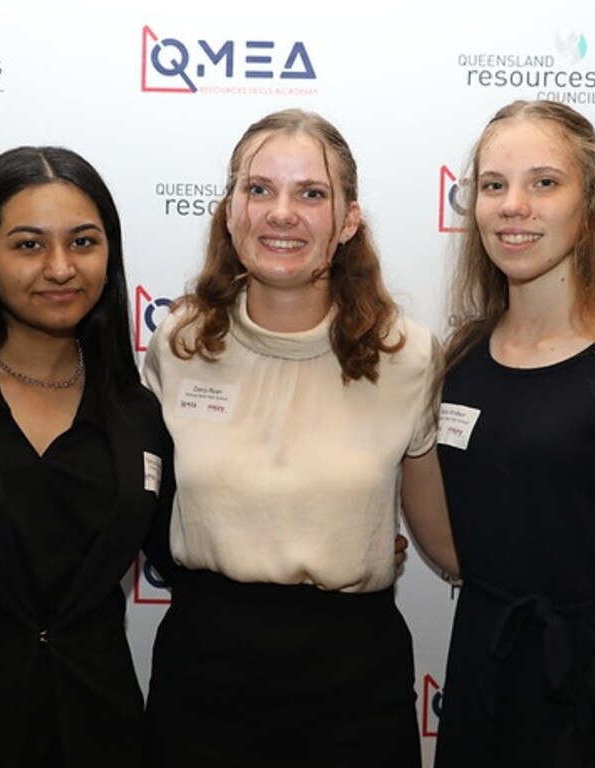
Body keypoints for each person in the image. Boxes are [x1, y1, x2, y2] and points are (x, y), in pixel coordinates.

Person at [141, 108, 457, 768]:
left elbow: (445, 539)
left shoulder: (408, 356)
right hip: (203, 676)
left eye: (311, 193)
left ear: (347, 220)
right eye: (259, 189)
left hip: (353, 685)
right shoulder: (179, 344)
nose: (280, 213)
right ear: (231, 211)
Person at [0, 146, 175, 768]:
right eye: (28, 245)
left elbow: (191, 542)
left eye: (84, 242)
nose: (61, 267)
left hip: (96, 729)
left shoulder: (136, 411)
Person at [434, 100, 595, 768]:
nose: (514, 205)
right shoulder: (460, 362)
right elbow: (451, 540)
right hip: (481, 682)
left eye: (544, 182)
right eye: (494, 185)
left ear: (590, 206)